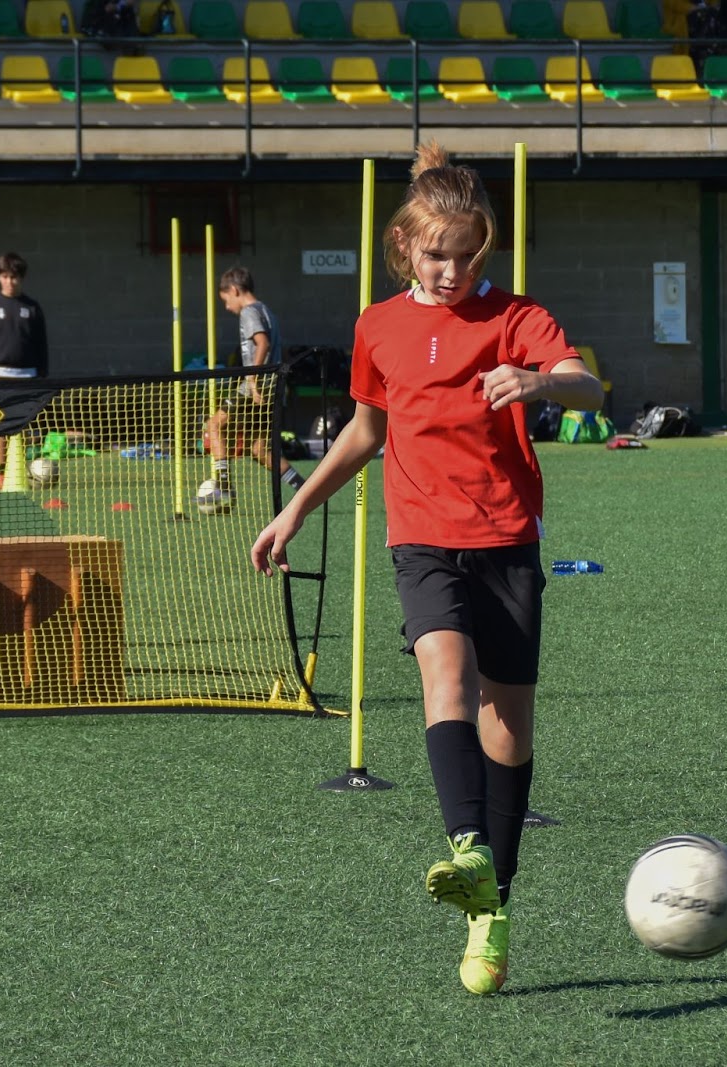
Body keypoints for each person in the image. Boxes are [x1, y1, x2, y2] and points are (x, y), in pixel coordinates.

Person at [250, 142, 603, 996]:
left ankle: (495, 906)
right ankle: (467, 847)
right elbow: (368, 431)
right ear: (404, 243)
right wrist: (296, 507)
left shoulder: (517, 318)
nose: (449, 269)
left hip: (507, 534)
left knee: (509, 726)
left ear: (484, 248)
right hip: (421, 535)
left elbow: (589, 386)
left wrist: (538, 383)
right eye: (435, 252)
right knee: (445, 672)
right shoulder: (378, 325)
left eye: (466, 253)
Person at [202, 266, 304, 506]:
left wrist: (252, 379)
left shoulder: (249, 312)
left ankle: (224, 488)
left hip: (256, 386)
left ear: (235, 290)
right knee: (259, 450)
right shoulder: (266, 310)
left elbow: (262, 343)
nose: (227, 307)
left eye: (226, 300)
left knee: (214, 425)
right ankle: (303, 487)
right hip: (273, 387)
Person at [0, 252, 49, 487]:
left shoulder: (32, 307)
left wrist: (42, 375)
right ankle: (1, 472)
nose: (10, 281)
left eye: (14, 277)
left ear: (21, 279)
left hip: (28, 376)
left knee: (26, 427)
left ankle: (27, 470)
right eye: (5, 276)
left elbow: (41, 344)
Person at [686, 0, 727, 74]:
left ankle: (716, 45)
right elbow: (676, 5)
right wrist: (696, 8)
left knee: (714, 14)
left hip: (707, 22)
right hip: (686, 21)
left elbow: (715, 4)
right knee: (705, 15)